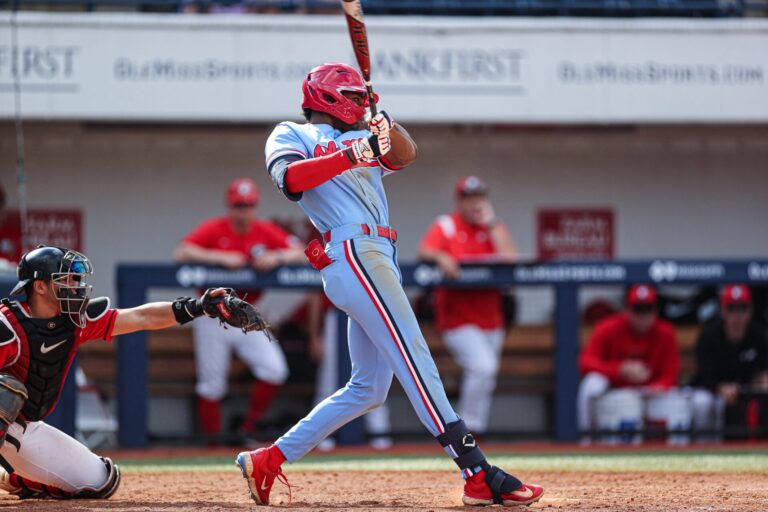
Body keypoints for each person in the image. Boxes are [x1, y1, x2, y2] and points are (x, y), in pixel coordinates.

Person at [235, 62, 543, 507]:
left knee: (367, 389)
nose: (361, 104)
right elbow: (291, 181)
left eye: (364, 97)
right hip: (352, 253)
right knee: (416, 359)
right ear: (328, 98)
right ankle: (477, 472)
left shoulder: (363, 135)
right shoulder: (292, 133)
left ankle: (269, 459)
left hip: (377, 256)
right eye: (355, 97)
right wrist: (351, 153)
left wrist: (385, 123)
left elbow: (405, 154)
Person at [0, 245, 234, 499]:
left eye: (74, 279)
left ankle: (8, 477)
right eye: (64, 279)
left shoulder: (75, 321)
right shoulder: (8, 325)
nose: (74, 286)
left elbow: (141, 317)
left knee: (102, 480)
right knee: (6, 391)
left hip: (24, 428)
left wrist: (199, 307)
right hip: (5, 423)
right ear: (40, 286)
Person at [174, 178, 304, 441]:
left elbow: (300, 252)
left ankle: (248, 427)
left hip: (246, 313)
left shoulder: (264, 230)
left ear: (255, 206)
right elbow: (182, 252)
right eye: (238, 205)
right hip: (211, 314)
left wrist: (276, 257)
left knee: (274, 369)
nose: (243, 210)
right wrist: (219, 258)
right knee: (212, 386)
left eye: (248, 205)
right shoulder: (214, 228)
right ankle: (212, 444)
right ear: (229, 206)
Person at [418, 176, 518, 435]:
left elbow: (511, 259)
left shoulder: (492, 227)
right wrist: (441, 257)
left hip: (491, 317)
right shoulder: (447, 225)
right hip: (457, 318)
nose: (475, 203)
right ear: (459, 201)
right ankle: (468, 430)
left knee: (487, 375)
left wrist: (492, 223)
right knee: (483, 367)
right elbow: (424, 251)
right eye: (469, 198)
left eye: (479, 197)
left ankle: (475, 430)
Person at [577, 284, 680, 440]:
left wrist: (655, 387)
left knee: (688, 401)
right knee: (591, 384)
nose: (643, 316)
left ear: (656, 311)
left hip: (651, 392)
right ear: (627, 310)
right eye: (638, 309)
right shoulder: (608, 327)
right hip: (615, 388)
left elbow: (671, 373)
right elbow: (585, 362)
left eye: (648, 309)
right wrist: (619, 370)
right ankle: (585, 439)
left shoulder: (665, 332)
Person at [306, 292, 392, 451]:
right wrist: (314, 335)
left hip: (373, 311)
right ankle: (322, 436)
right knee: (328, 382)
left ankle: (380, 433)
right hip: (337, 313)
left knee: (377, 378)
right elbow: (315, 296)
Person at [690, 284, 768, 437]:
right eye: (732, 308)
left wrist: (763, 378)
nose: (737, 315)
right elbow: (704, 375)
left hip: (747, 390)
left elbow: (764, 369)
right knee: (703, 403)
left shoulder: (759, 335)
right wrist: (720, 387)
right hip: (712, 391)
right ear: (723, 310)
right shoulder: (709, 336)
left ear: (750, 310)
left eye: (742, 308)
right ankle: (703, 447)